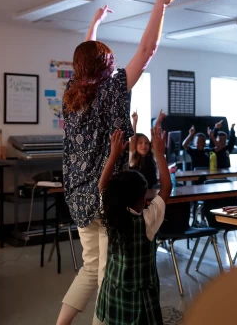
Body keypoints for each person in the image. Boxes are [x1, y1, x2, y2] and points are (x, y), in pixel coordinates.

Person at [58, 0, 175, 325]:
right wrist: (160, 4)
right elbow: (148, 49)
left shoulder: (71, 93)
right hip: (109, 195)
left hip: (79, 197)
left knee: (92, 267)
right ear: (107, 64)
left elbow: (84, 58)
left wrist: (94, 24)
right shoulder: (113, 88)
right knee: (110, 272)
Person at [96, 125, 171, 325]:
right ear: (140, 199)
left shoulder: (110, 213)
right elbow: (166, 188)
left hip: (114, 293)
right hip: (140, 302)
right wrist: (160, 154)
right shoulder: (147, 221)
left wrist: (113, 156)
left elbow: (103, 186)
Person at [129, 110, 160, 188]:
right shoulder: (132, 157)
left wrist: (159, 120)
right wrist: (135, 122)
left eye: (146, 143)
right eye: (140, 143)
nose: (144, 145)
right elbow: (133, 139)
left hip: (152, 191)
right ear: (135, 146)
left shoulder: (151, 156)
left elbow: (154, 139)